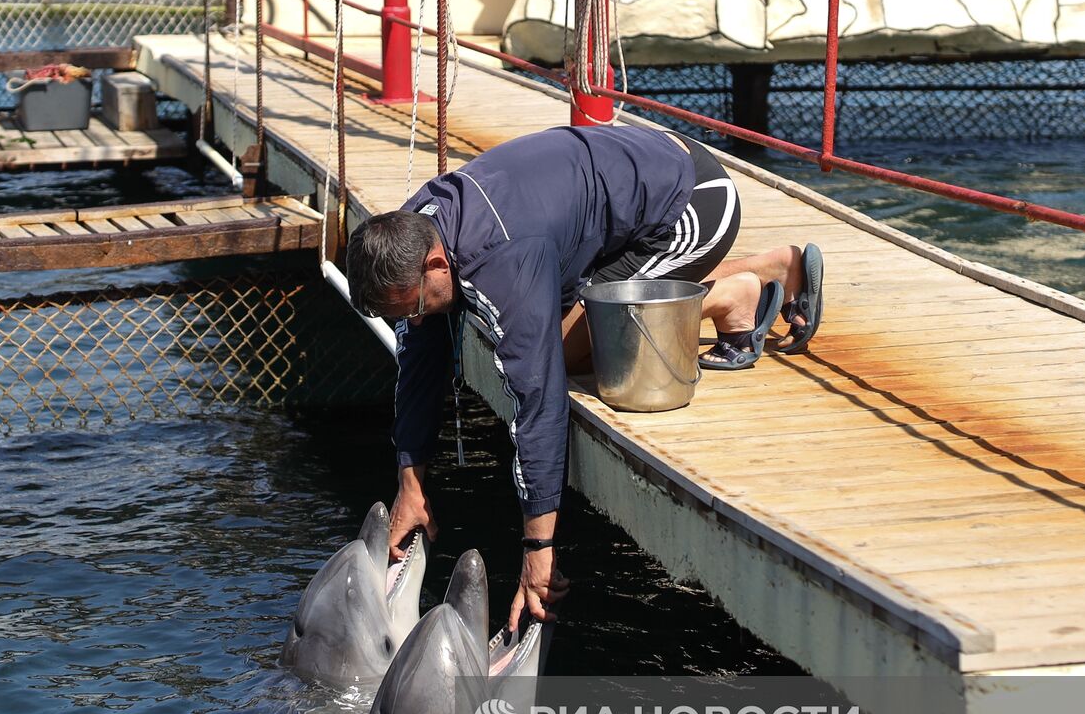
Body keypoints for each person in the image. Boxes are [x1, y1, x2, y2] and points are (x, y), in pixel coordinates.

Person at [344, 124, 824, 633]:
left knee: (576, 353)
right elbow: (419, 347)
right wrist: (410, 481)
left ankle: (737, 292)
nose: (414, 318)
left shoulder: (502, 260)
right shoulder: (414, 227)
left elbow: (539, 404)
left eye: (414, 305)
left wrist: (538, 550)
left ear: (437, 263)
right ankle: (758, 270)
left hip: (692, 203)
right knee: (550, 334)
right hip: (622, 188)